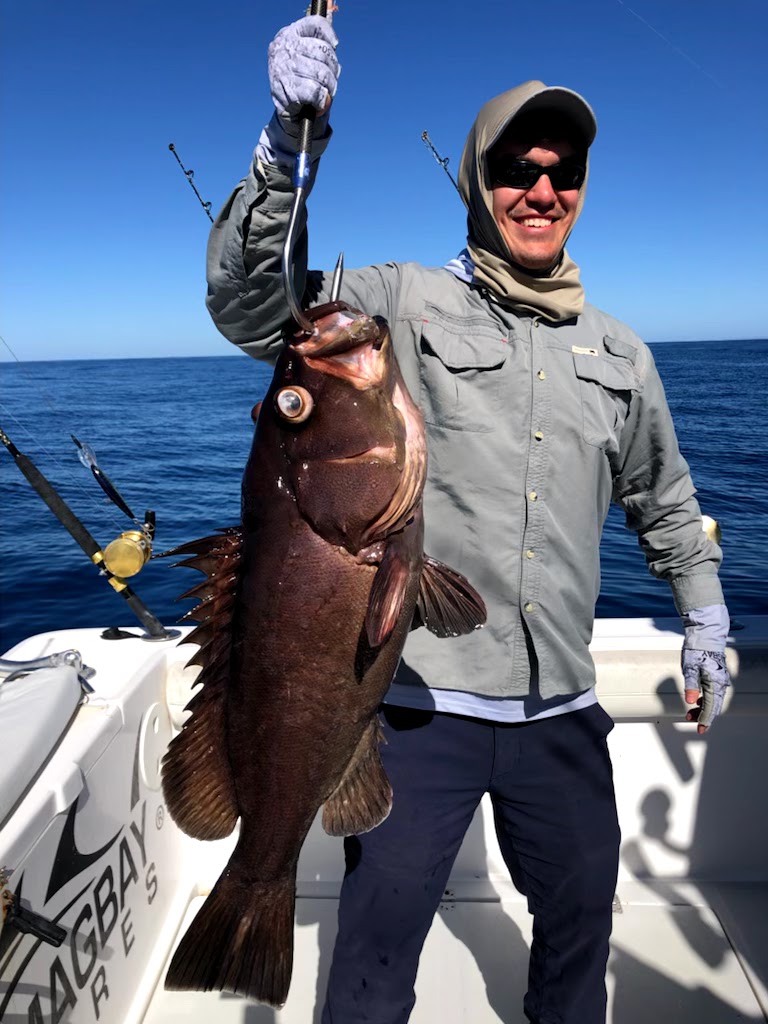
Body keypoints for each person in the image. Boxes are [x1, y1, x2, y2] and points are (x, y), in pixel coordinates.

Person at [204, 14, 732, 1024]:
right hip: (416, 712)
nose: (541, 189)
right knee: (375, 953)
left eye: (562, 169)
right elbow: (248, 303)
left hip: (562, 713)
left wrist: (703, 611)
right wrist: (282, 149)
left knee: (582, 929)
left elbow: (665, 499)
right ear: (477, 181)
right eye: (515, 168)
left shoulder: (621, 353)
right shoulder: (392, 306)